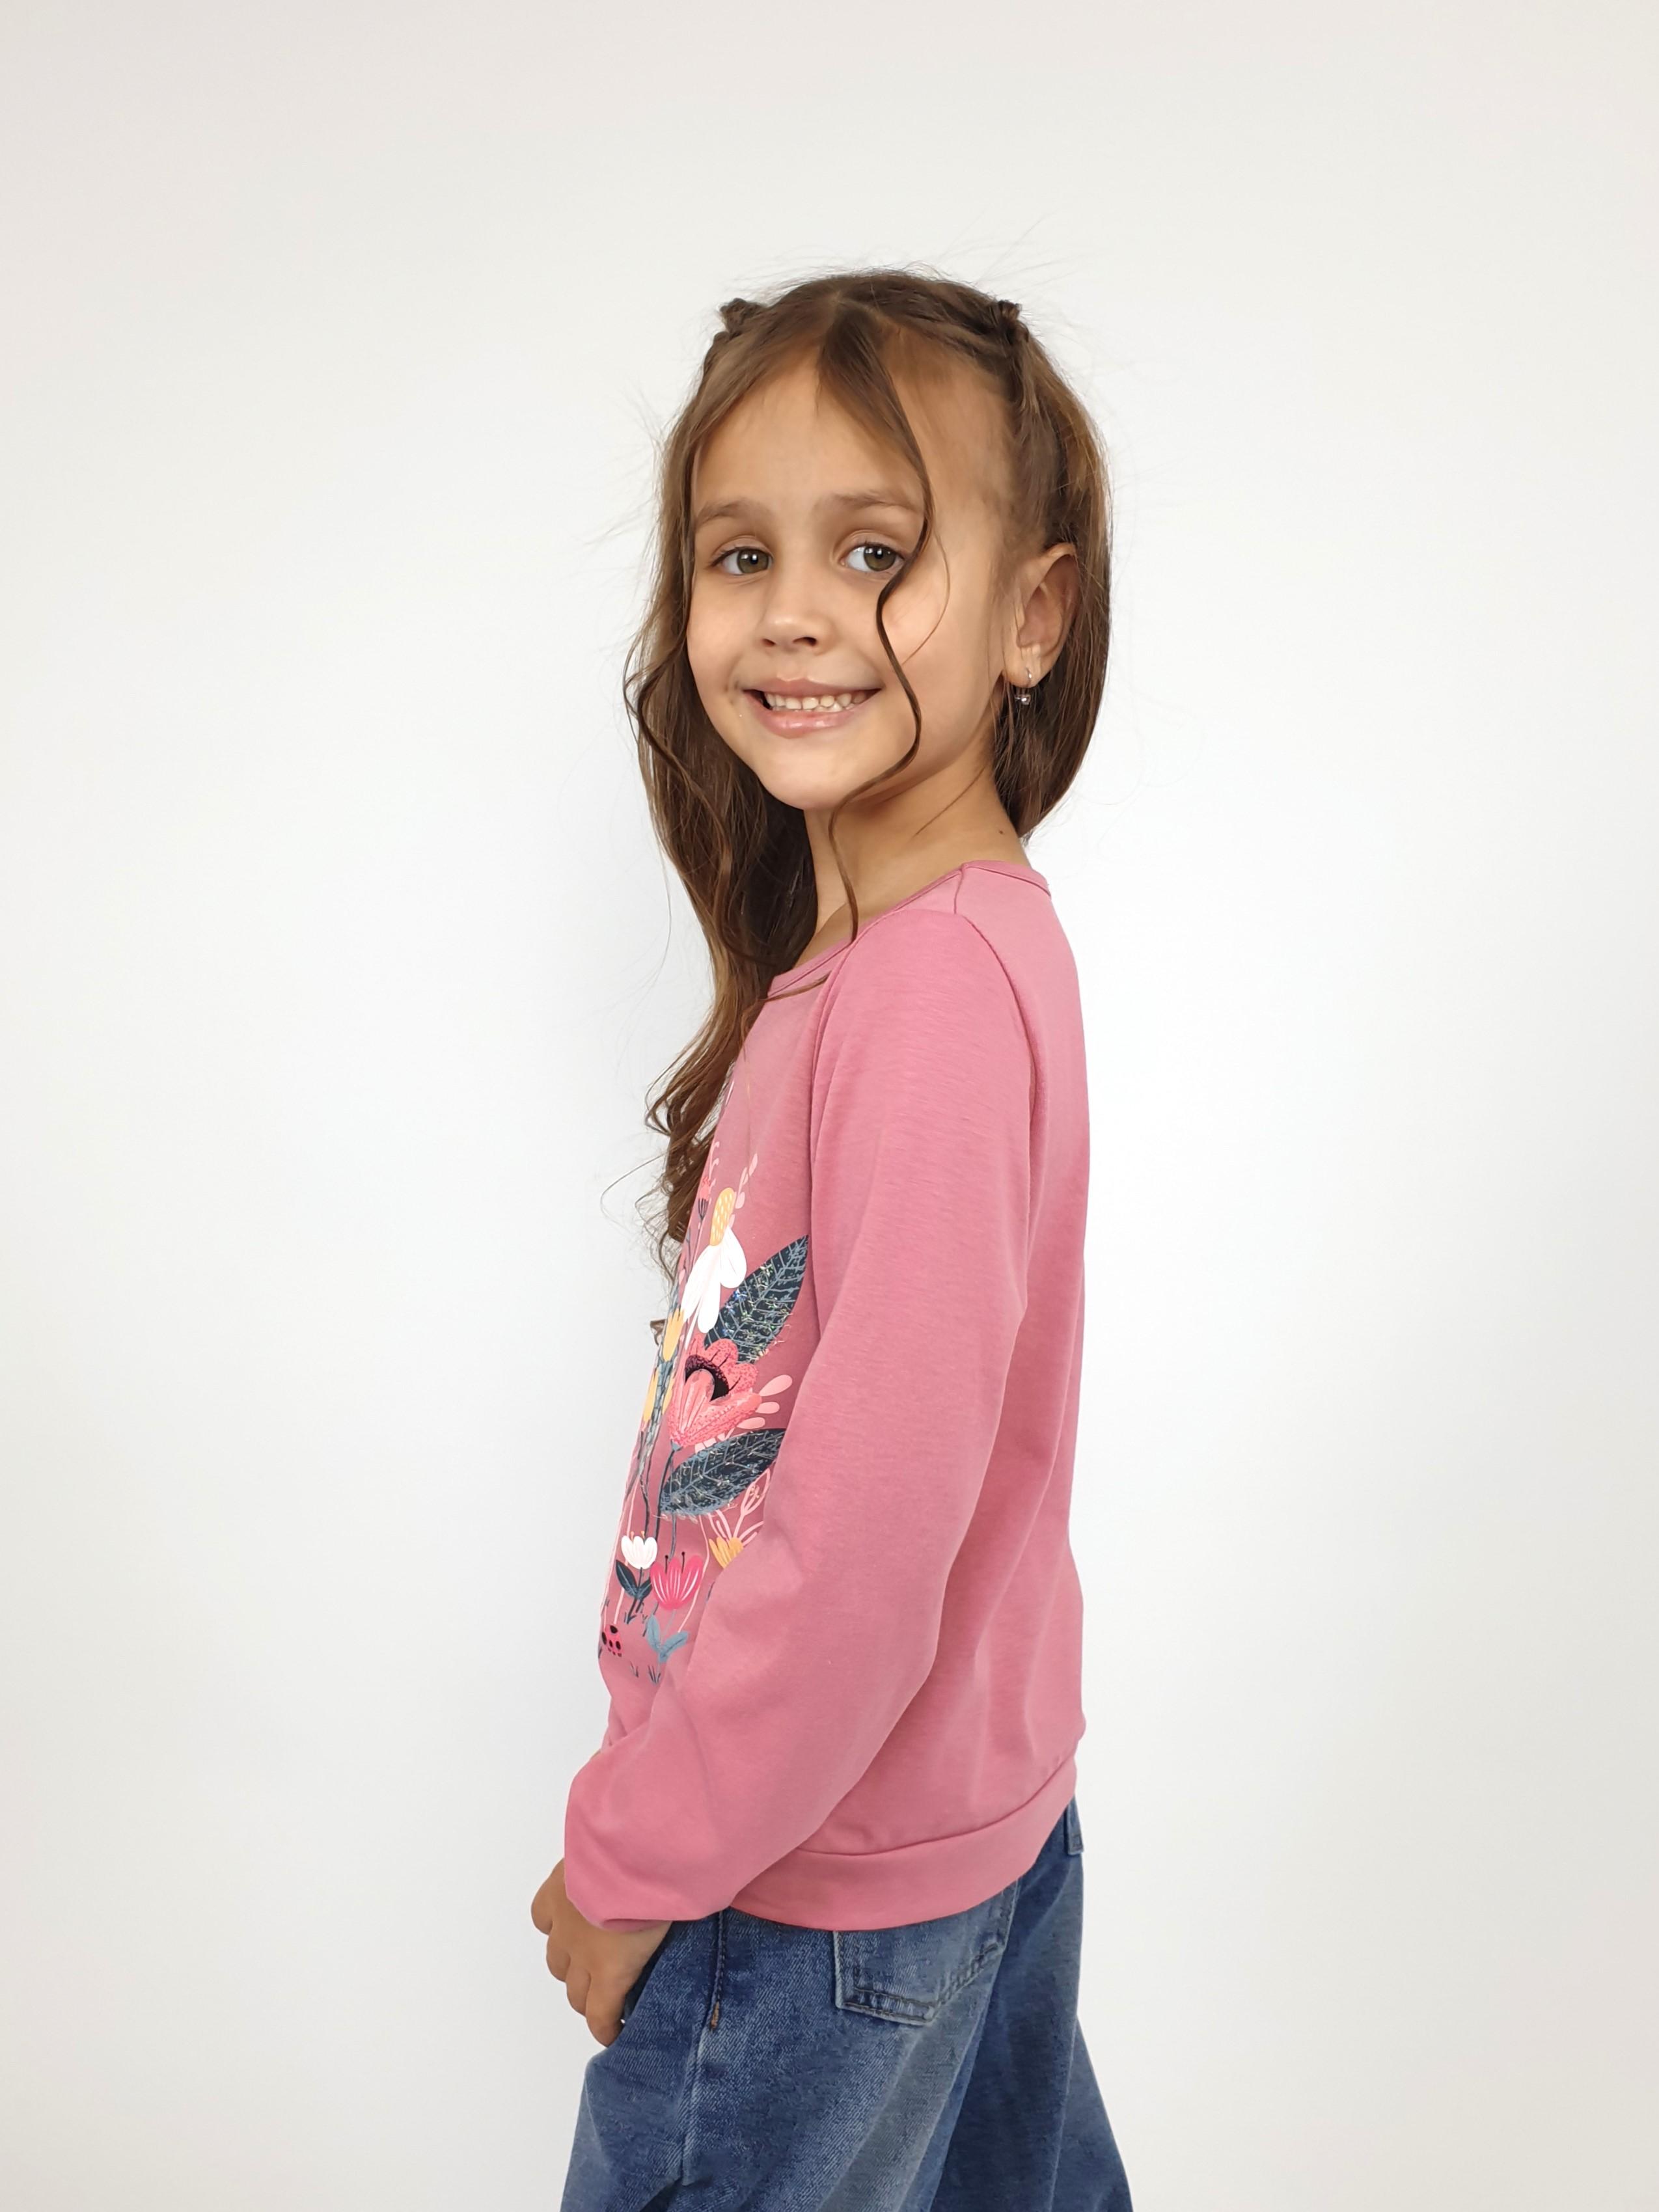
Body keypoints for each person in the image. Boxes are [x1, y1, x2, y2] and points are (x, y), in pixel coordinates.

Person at [531, 268, 1134, 2211]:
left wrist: (643, 1853)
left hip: (805, 1898)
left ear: (1033, 614)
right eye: (741, 554)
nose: (793, 610)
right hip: (945, 1833)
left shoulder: (932, 997)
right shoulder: (909, 959)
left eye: (876, 550)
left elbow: (864, 1537)